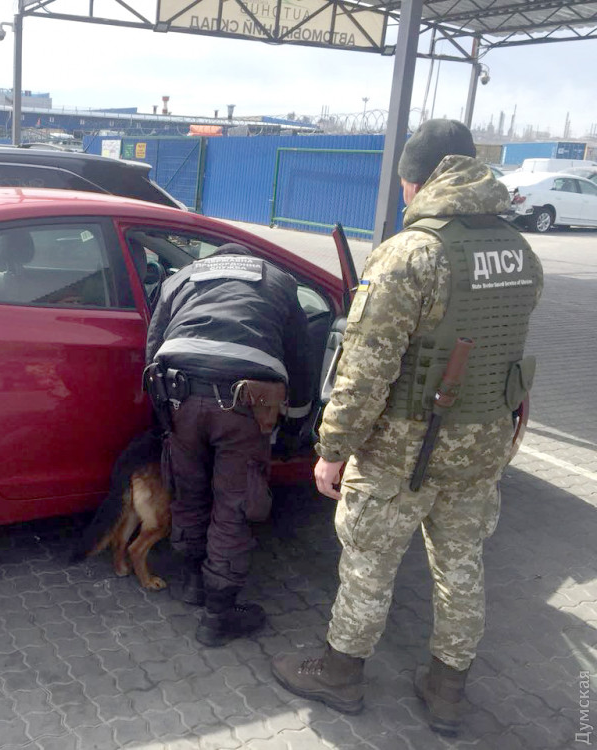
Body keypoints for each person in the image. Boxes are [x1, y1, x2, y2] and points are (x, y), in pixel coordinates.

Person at [270, 119, 544, 734]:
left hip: (403, 450)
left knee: (369, 563)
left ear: (416, 181)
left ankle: (341, 675)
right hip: (481, 445)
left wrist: (332, 449)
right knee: (461, 567)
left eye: (403, 186)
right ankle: (447, 691)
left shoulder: (411, 252)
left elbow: (365, 369)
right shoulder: (520, 251)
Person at [145, 242, 314, 647]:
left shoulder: (180, 277)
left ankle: (191, 583)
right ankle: (217, 617)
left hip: (178, 396)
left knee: (187, 492)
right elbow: (302, 360)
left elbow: (152, 348)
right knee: (233, 506)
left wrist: (164, 415)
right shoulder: (278, 281)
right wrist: (295, 426)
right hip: (245, 408)